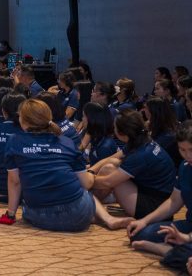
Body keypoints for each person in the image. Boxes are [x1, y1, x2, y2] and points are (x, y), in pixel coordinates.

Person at [0, 99, 96, 232]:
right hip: (79, 216)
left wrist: (10, 215)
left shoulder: (14, 141)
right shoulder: (67, 142)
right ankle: (106, 218)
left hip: (38, 216)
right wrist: (92, 173)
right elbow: (86, 184)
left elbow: (15, 181)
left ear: (24, 120)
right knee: (86, 191)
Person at [92, 110, 176, 222]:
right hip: (157, 196)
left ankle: (88, 206)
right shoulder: (140, 140)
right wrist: (91, 170)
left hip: (155, 207)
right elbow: (111, 158)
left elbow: (108, 182)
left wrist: (84, 180)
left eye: (115, 127)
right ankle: (92, 204)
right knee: (111, 165)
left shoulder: (140, 153)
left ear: (122, 133)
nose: (113, 128)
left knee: (108, 172)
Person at [127, 122, 192, 262]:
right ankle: (178, 251)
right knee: (139, 233)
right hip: (189, 224)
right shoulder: (185, 167)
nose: (188, 155)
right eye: (182, 150)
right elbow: (174, 201)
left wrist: (187, 238)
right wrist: (145, 221)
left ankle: (166, 250)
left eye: (191, 150)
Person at [81, 102, 120, 166]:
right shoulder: (96, 137)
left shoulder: (105, 147)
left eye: (84, 116)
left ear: (91, 119)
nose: (82, 119)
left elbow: (101, 170)